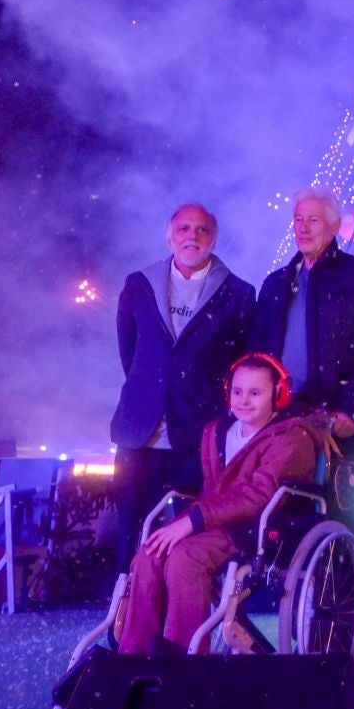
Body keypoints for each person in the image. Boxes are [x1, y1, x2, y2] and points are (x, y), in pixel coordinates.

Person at [118, 353, 325, 655]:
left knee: (185, 558)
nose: (244, 400)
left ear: (278, 395)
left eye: (256, 393)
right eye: (238, 391)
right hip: (212, 521)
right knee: (151, 553)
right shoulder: (216, 432)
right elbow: (208, 490)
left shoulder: (291, 437)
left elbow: (258, 497)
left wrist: (193, 520)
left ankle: (183, 660)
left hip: (256, 530)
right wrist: (190, 520)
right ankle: (132, 656)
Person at [111, 203, 256, 567]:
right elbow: (130, 352)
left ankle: (186, 625)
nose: (192, 235)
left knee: (191, 546)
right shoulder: (138, 284)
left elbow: (240, 362)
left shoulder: (238, 294)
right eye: (184, 228)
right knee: (130, 541)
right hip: (138, 435)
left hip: (199, 437)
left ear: (214, 238)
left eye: (202, 229)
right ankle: (127, 624)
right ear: (170, 236)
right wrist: (155, 389)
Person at [248, 188, 354, 448]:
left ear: (335, 225)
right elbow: (257, 355)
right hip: (280, 422)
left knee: (336, 490)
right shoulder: (275, 284)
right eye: (298, 219)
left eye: (313, 220)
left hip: (340, 422)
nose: (303, 228)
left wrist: (353, 408)